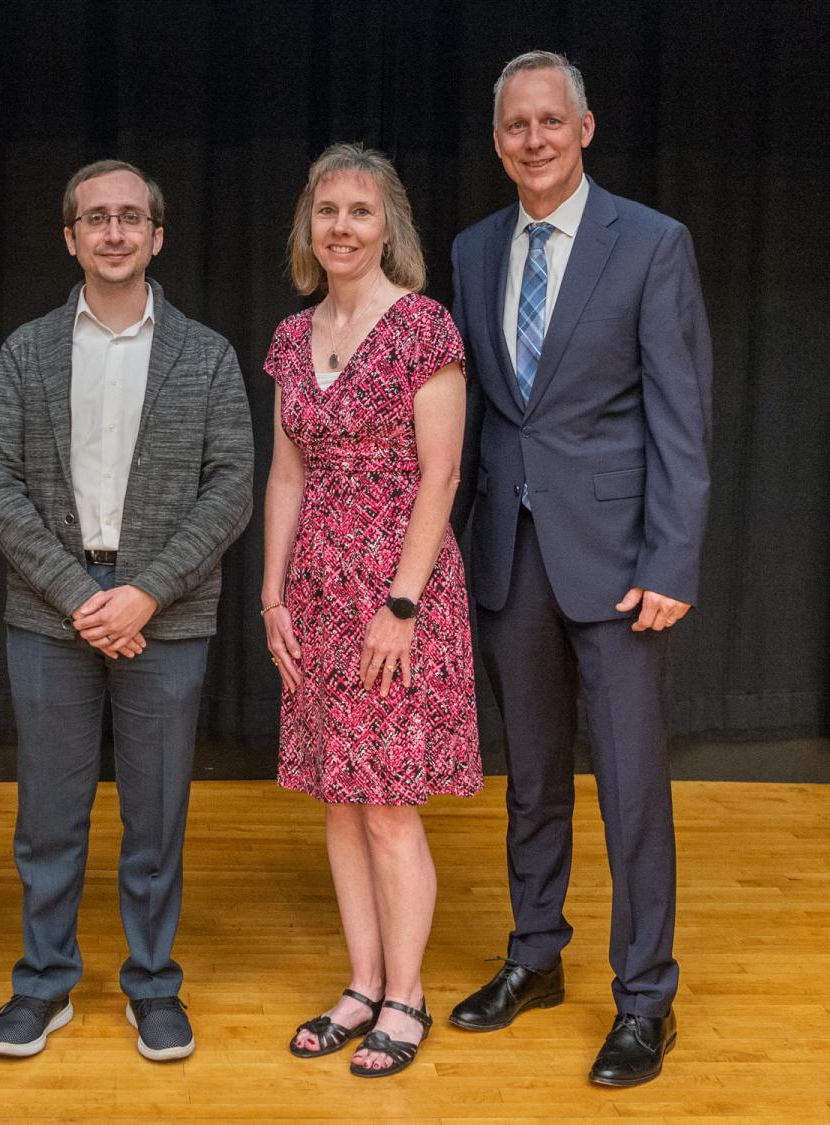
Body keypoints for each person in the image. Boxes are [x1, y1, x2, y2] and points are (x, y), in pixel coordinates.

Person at [447, 51, 711, 1087]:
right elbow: (473, 426)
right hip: (509, 563)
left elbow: (680, 418)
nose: (535, 140)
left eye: (552, 121)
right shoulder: (472, 251)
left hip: (621, 568)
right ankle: (535, 958)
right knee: (535, 784)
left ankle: (646, 999)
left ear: (586, 128)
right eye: (516, 126)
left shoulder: (650, 243)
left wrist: (674, 558)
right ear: (498, 140)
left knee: (634, 791)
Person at [0, 159, 253, 1063]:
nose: (114, 232)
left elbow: (230, 491)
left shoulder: (205, 354)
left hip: (163, 614)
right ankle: (43, 984)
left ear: (157, 234)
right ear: (70, 236)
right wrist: (81, 596)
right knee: (47, 819)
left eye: (131, 217)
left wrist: (144, 591)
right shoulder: (26, 349)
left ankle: (152, 986)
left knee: (156, 815)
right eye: (95, 218)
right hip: (51, 613)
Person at [262, 144, 481, 1078]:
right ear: (308, 227)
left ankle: (406, 995)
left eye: (358, 211)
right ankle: (361, 983)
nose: (341, 227)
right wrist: (272, 592)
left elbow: (443, 476)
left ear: (388, 225)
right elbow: (286, 472)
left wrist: (401, 603)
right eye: (326, 212)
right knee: (340, 800)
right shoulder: (290, 334)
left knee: (390, 805)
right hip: (313, 590)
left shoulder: (423, 326)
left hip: (397, 589)